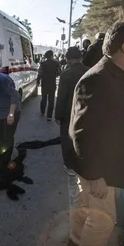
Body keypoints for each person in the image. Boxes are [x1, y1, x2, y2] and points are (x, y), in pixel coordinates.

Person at [68, 22, 124, 246]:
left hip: (107, 161)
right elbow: (81, 132)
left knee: (85, 202)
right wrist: (94, 176)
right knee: (103, 219)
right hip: (99, 166)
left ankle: (75, 240)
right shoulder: (97, 79)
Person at [54, 47, 88, 176]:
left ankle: (69, 165)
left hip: (69, 112)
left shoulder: (66, 74)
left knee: (67, 138)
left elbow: (61, 97)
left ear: (68, 60)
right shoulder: (90, 71)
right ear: (81, 58)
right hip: (85, 111)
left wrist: (58, 115)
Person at [37, 50, 60, 121]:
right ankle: (49, 116)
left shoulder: (43, 63)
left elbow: (40, 73)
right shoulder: (56, 63)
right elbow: (59, 72)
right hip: (52, 83)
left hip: (44, 83)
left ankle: (42, 111)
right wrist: (53, 76)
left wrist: (38, 80)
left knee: (44, 98)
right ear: (52, 55)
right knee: (51, 100)